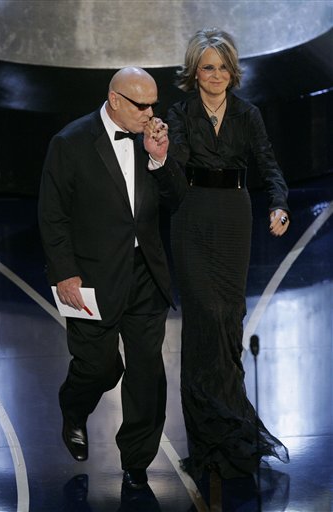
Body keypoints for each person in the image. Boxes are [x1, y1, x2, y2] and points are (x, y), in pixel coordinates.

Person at [38, 67, 186, 490]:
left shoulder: (152, 136)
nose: (151, 112)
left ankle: (137, 462)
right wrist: (64, 273)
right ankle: (74, 407)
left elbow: (178, 201)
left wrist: (160, 158)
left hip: (145, 275)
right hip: (91, 277)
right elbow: (52, 215)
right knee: (100, 367)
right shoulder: (70, 142)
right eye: (142, 105)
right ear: (115, 99)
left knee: (146, 372)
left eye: (155, 103)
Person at [166, 28, 290, 481]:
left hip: (235, 218)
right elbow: (173, 161)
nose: (216, 75)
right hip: (192, 217)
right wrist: (161, 150)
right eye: (207, 67)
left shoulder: (247, 114)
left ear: (232, 71)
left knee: (229, 317)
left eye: (222, 67)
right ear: (194, 72)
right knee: (204, 317)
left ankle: (232, 427)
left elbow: (268, 163)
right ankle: (206, 435)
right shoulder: (178, 114)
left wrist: (278, 202)